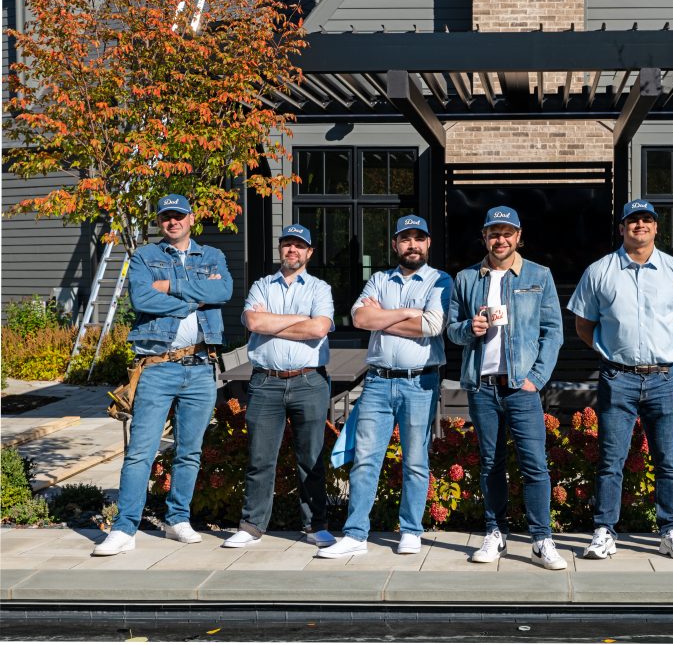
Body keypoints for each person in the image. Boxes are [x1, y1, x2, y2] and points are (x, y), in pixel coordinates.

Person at [92, 194, 232, 556]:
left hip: (201, 367)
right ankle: (125, 528)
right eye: (166, 217)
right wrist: (194, 300)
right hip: (156, 367)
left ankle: (177, 519)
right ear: (160, 221)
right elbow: (141, 300)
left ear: (191, 218)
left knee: (189, 451)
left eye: (179, 216)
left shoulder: (212, 256)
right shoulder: (144, 257)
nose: (173, 222)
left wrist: (171, 286)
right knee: (141, 451)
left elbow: (224, 290)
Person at [568, 199, 673, 560]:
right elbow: (584, 324)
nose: (639, 226)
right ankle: (604, 531)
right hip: (619, 378)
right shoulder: (600, 271)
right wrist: (610, 350)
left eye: (646, 220)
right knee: (611, 458)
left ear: (656, 227)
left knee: (667, 460)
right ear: (622, 229)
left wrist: (662, 348)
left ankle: (670, 530)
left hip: (663, 378)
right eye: (633, 221)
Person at [317, 215, 452, 559]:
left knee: (417, 460)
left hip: (420, 381)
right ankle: (356, 534)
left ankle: (411, 530)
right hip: (378, 381)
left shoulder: (440, 280)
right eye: (405, 239)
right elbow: (360, 319)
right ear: (394, 244)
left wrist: (385, 317)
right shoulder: (379, 278)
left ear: (428, 243)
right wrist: (409, 313)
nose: (412, 245)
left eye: (418, 238)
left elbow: (434, 326)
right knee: (365, 459)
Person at [446, 206, 567, 570]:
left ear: (518, 236)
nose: (501, 239)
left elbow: (553, 333)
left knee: (534, 465)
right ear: (484, 238)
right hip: (482, 387)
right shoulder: (465, 278)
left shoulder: (538, 275)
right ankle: (494, 533)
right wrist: (470, 328)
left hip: (521, 388)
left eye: (507, 233)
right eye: (493, 233)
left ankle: (541, 539)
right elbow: (451, 329)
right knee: (490, 464)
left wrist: (536, 379)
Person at [222, 224, 335, 549]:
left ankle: (316, 526)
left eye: (299, 246)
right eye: (287, 244)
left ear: (309, 252)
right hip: (266, 382)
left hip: (308, 380)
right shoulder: (261, 286)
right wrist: (298, 320)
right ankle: (252, 525)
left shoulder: (319, 288)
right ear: (281, 249)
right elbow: (254, 323)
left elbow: (319, 329)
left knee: (310, 458)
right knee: (260, 458)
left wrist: (276, 322)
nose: (292, 250)